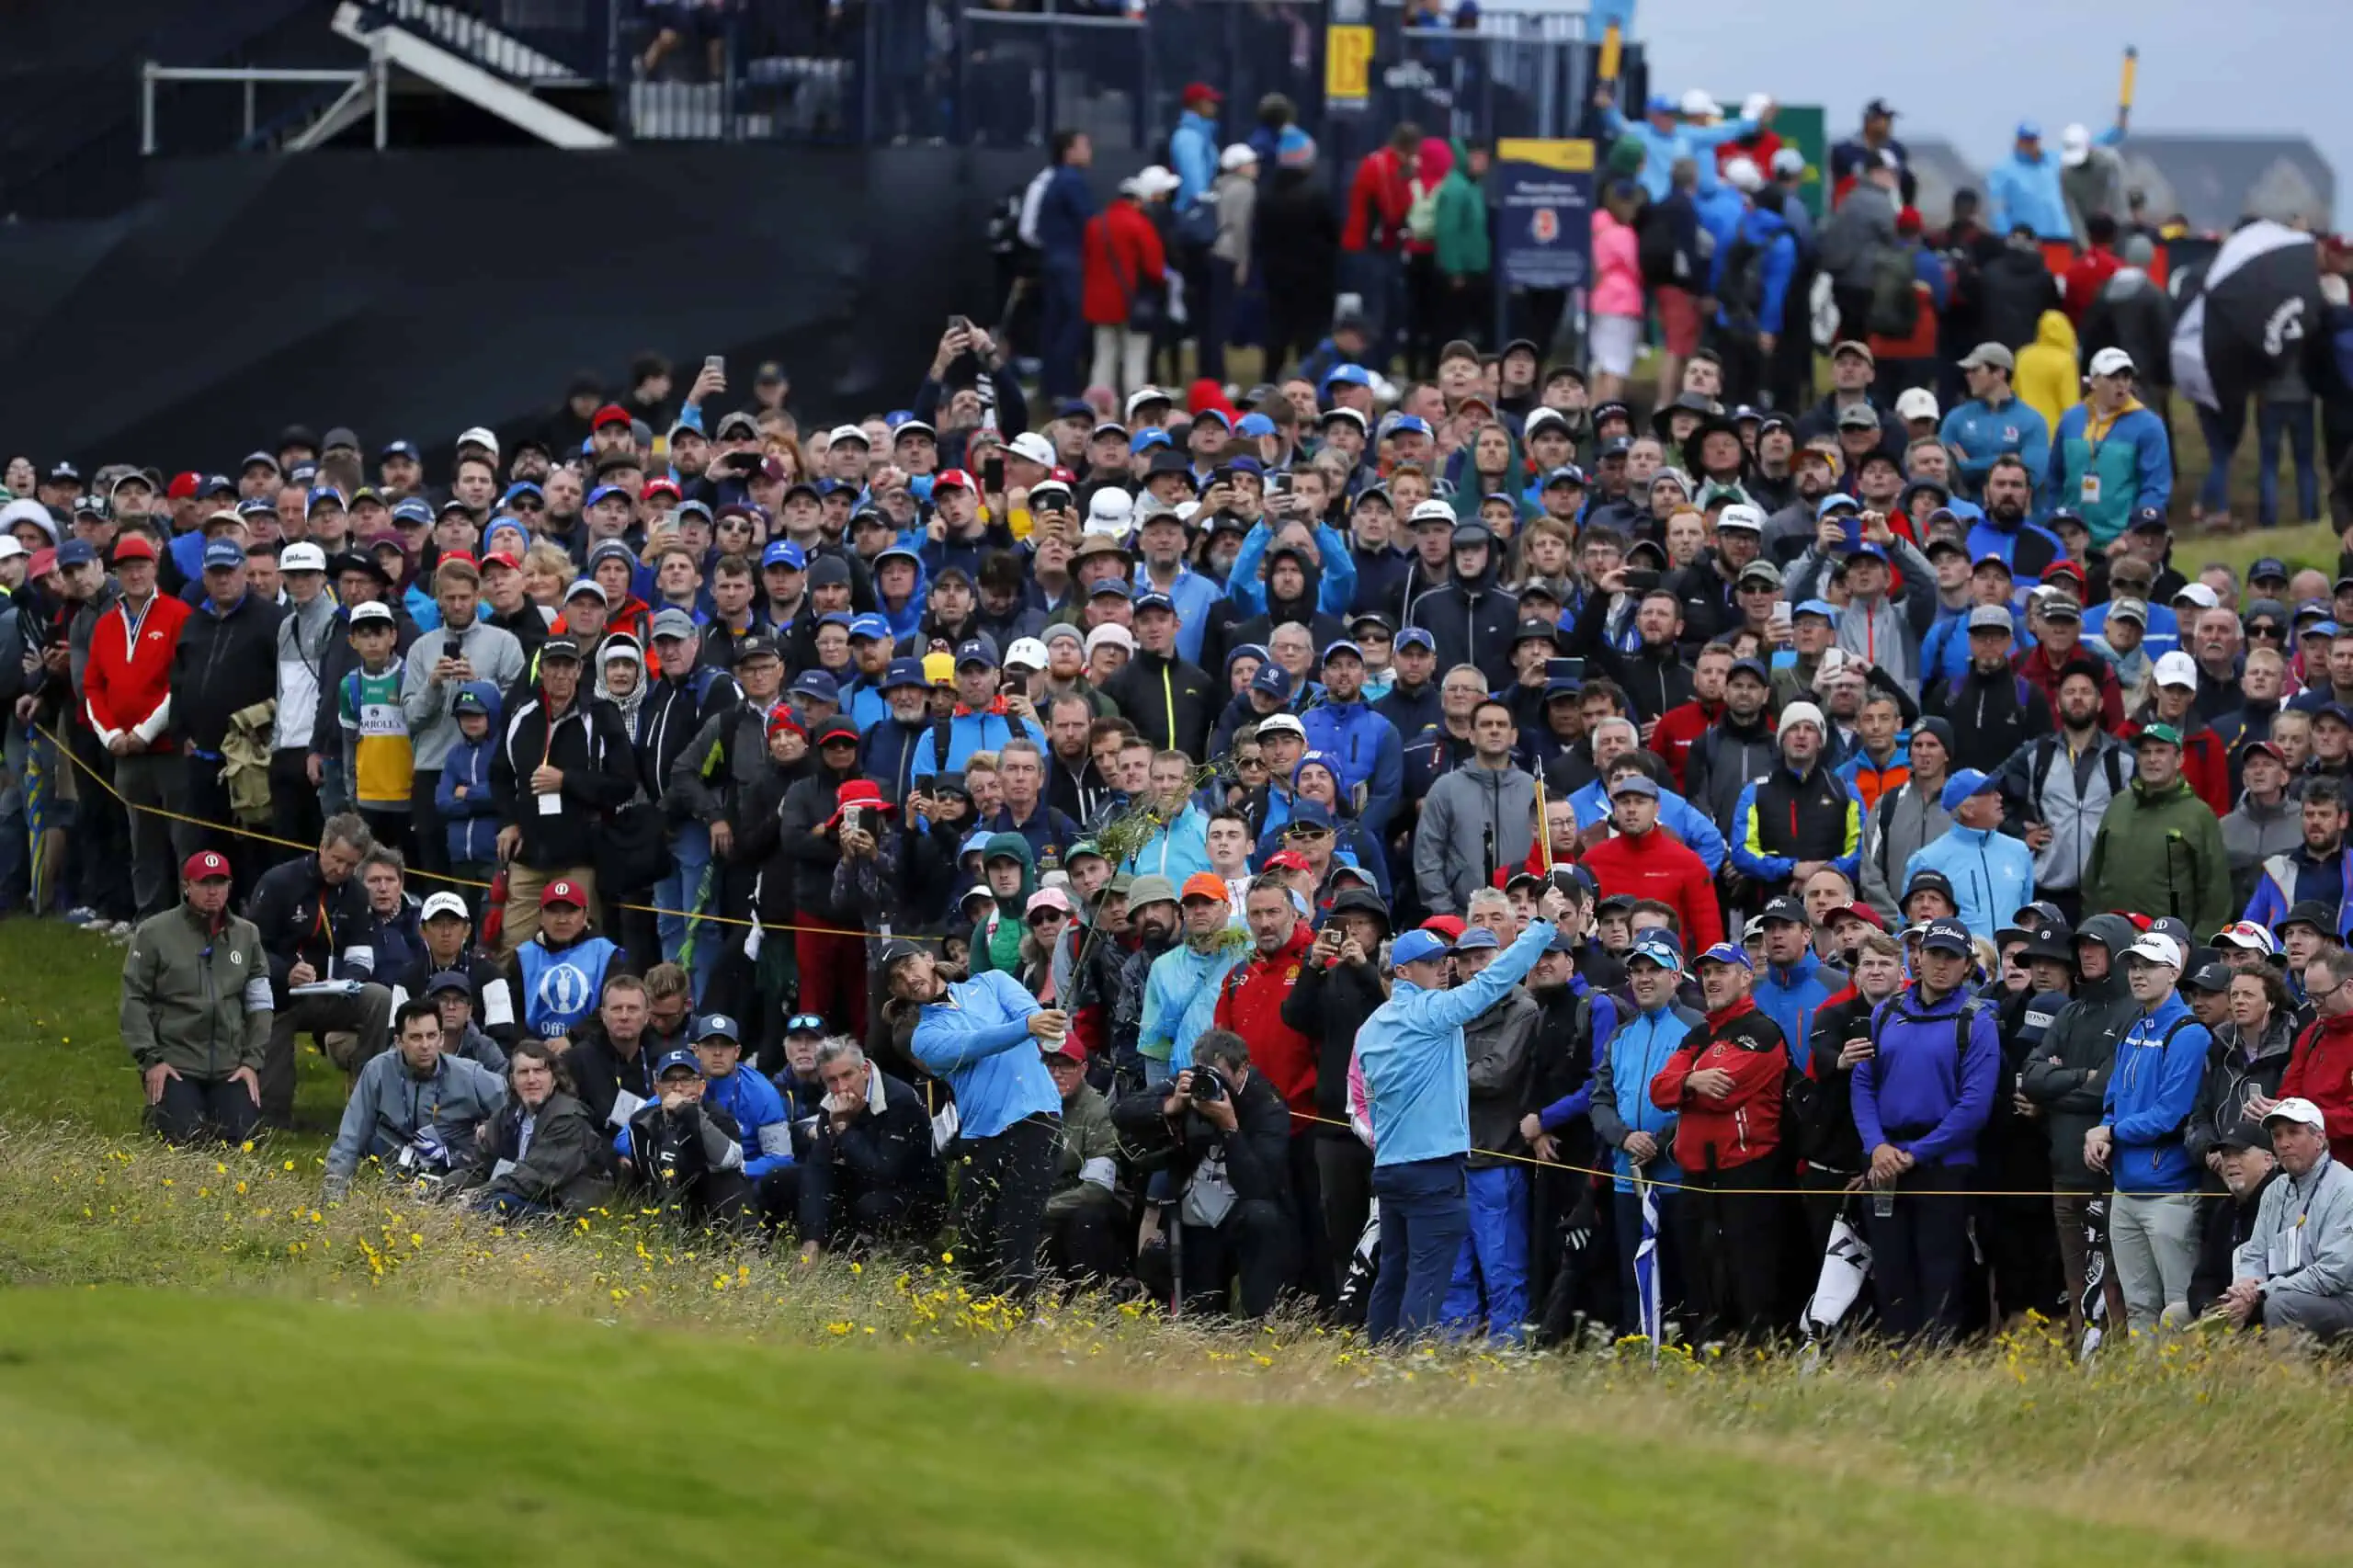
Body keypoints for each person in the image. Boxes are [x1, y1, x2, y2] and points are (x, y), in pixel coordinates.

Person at [1358, 888, 1564, 1343]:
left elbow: (1367, 1095)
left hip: (1390, 1167)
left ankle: (1377, 1359)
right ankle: (1406, 1371)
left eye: (1442, 961)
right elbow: (1494, 982)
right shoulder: (1432, 1013)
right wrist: (1542, 929)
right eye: (1432, 964)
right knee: (1427, 1279)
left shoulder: (1371, 1026)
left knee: (1393, 1271)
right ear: (1404, 971)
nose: (1443, 969)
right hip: (1432, 1168)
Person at [887, 938, 1065, 1298]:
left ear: (928, 959)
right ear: (895, 991)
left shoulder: (994, 982)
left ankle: (1019, 1332)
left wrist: (1045, 1026)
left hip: (1036, 1119)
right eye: (896, 978)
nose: (908, 977)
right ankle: (980, 1332)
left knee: (1016, 1237)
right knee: (976, 1246)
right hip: (981, 1135)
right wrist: (1028, 1026)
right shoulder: (922, 1036)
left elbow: (1032, 1018)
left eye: (910, 965)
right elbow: (973, 1044)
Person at [1853, 916, 2000, 1340]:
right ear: (1917, 958)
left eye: (1951, 957)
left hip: (1943, 1163)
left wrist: (1915, 1154)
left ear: (1967, 967)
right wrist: (1877, 1147)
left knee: (1942, 1272)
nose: (1940, 964)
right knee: (1892, 1270)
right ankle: (1897, 1359)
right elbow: (1864, 1082)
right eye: (1934, 953)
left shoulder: (1977, 1020)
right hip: (1885, 1159)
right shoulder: (1887, 1011)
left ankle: (1938, 1364)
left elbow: (1973, 1107)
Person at [1650, 938, 1791, 1344]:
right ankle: (1708, 1360)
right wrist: (1692, 1080)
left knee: (1750, 1282)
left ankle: (1758, 1361)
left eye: (1722, 970)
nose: (1711, 979)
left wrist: (1684, 1085)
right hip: (1697, 1176)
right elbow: (1658, 1090)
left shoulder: (1761, 1032)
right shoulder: (1697, 1034)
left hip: (1746, 1177)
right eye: (1707, 972)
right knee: (1702, 1282)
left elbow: (1723, 1091)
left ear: (1747, 977)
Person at [1113, 1028, 1296, 1319]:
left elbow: (1260, 1186)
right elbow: (1122, 1112)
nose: (1211, 1085)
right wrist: (1170, 1105)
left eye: (1219, 1076)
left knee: (1262, 1218)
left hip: (1244, 1216)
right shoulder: (1191, 1085)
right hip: (1196, 1217)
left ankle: (1258, 1319)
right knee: (1202, 1319)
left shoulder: (1267, 1105)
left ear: (1242, 1070)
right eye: (1203, 1073)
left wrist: (1230, 1128)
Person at [2086, 931, 2211, 1333]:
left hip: (2169, 1192)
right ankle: (2148, 1393)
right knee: (2139, 1308)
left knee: (2179, 1308)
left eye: (2149, 966)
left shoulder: (2189, 1032)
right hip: (2126, 1189)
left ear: (2174, 972)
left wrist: (2111, 1132)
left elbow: (2170, 1116)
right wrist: (2104, 1127)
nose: (2138, 974)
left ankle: (2187, 1392)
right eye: (2134, 966)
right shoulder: (2135, 1027)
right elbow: (2114, 1096)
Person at [246, 814, 395, 1127]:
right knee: (272, 1107)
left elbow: (361, 954)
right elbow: (252, 948)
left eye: (351, 865)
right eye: (337, 860)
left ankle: (366, 1100)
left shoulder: (354, 894)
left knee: (379, 997)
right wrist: (286, 971)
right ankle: (272, 1110)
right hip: (280, 997)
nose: (341, 870)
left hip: (329, 993)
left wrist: (348, 980)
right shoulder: (279, 883)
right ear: (322, 847)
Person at [120, 850, 270, 1146]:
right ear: (186, 886)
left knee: (245, 1140)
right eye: (204, 883)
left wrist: (251, 1063)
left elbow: (260, 1004)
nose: (213, 891)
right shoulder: (153, 933)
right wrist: (152, 1060)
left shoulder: (247, 935)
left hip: (230, 1066)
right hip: (176, 1064)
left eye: (220, 882)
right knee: (185, 1139)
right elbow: (134, 997)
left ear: (230, 886)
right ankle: (162, 1111)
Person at [323, 999, 506, 1202]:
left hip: (455, 1171)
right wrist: (333, 1198)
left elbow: (515, 1107)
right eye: (416, 1037)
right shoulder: (378, 1071)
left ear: (441, 1039)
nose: (425, 1046)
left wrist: (490, 1127)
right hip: (396, 1169)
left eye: (431, 1036)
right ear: (399, 1041)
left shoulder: (469, 1075)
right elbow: (350, 1136)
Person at [793, 1037, 945, 1259]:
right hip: (862, 1184)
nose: (841, 1087)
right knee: (782, 1181)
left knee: (872, 1206)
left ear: (864, 1069)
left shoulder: (899, 1099)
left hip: (915, 1195)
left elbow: (885, 1171)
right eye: (831, 1080)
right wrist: (811, 1240)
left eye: (847, 1075)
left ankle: (906, 1250)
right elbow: (818, 1168)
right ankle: (809, 1247)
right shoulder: (831, 1103)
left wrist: (844, 1130)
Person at [2215, 1098, 2353, 1339]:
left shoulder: (2345, 1187)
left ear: (2319, 1138)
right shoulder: (2275, 1190)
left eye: (2294, 1133)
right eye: (2277, 1136)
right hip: (2281, 1291)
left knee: (2280, 1306)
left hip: (2341, 1298)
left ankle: (2290, 1378)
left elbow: (2332, 1274)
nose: (2284, 1143)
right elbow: (2254, 1253)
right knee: (2222, 1311)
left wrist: (2262, 1291)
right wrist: (2245, 1287)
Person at [2082, 725, 2233, 937]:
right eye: (2145, 752)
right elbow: (2092, 878)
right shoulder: (2119, 804)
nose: (2152, 759)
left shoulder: (2198, 815)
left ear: (2179, 760)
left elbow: (2216, 895)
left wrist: (2198, 946)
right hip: (2110, 939)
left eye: (2161, 751)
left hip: (2167, 946)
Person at [445, 1040, 616, 1217]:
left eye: (539, 1071)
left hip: (564, 1209)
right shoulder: (507, 1115)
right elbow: (478, 1168)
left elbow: (535, 1177)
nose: (531, 1079)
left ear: (555, 1079)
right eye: (523, 1072)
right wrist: (438, 1190)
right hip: (522, 1196)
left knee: (496, 1205)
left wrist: (478, 1194)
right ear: (512, 1080)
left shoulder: (568, 1118)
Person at [612, 1048, 758, 1231]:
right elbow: (643, 1177)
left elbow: (729, 1160)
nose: (678, 1087)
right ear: (657, 1088)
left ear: (702, 1087)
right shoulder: (642, 1122)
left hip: (713, 1212)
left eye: (687, 1079)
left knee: (728, 1177)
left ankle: (747, 1248)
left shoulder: (719, 1118)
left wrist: (689, 1112)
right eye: (669, 1080)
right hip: (664, 1210)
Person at [2050, 351, 2171, 549]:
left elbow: (2156, 487)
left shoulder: (2149, 425)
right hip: (2070, 540)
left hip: (2120, 541)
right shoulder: (2071, 420)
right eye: (2113, 377)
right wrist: (2054, 519)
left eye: (2126, 377)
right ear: (2094, 381)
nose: (2121, 384)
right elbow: (2055, 475)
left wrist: (2134, 533)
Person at [1905, 768, 2034, 942]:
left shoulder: (2019, 851)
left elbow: (2025, 916)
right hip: (1960, 965)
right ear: (1967, 809)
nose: (1999, 797)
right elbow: (1912, 926)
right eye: (1989, 792)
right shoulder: (1927, 860)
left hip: (2011, 966)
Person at [1040, 1036, 1127, 1286]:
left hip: (1081, 1203)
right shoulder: (1031, 1104)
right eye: (1050, 1065)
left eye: (1066, 1066)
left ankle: (1090, 1296)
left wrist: (1045, 1207)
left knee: (1087, 1219)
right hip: (1044, 1197)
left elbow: (1098, 1189)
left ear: (1083, 1068)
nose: (1057, 1074)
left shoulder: (1096, 1111)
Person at [2279, 949, 2353, 1167]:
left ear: (2349, 987)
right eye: (2308, 996)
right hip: (2310, 1169)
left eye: (2320, 997)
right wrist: (2279, 1110)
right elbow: (2288, 1092)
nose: (2313, 1005)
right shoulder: (2314, 1032)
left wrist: (2304, 1120)